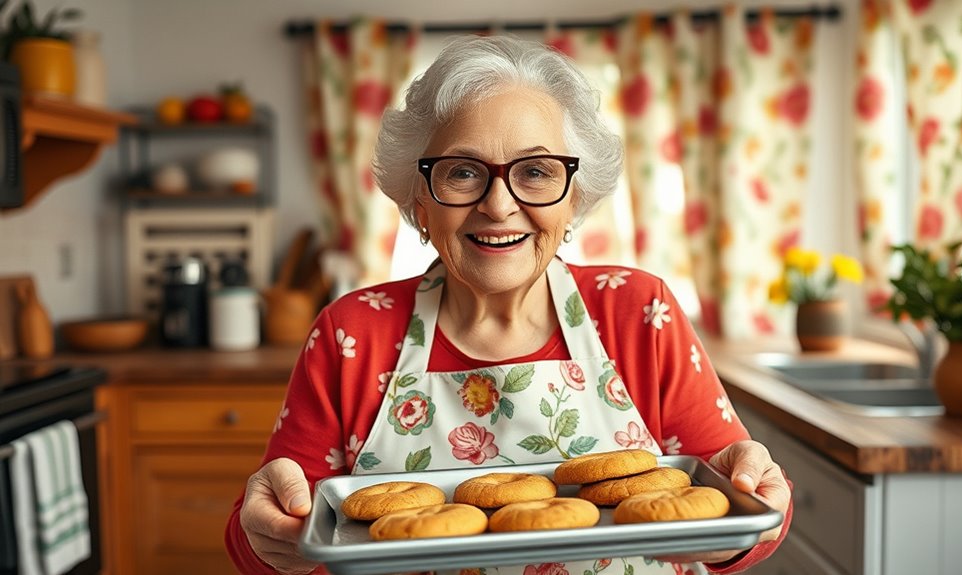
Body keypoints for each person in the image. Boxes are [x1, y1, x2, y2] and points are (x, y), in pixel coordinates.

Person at [225, 35, 792, 575]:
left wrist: (750, 508)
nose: (498, 206)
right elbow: (266, 536)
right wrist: (270, 541)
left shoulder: (641, 313)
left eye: (536, 171)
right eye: (462, 171)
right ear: (419, 199)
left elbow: (746, 507)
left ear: (575, 197)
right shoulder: (351, 333)